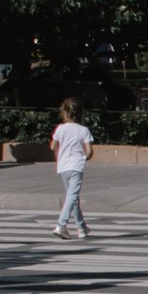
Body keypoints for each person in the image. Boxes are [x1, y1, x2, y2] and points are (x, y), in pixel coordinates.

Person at [50, 98, 94, 241]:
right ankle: (61, 225)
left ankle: (82, 227)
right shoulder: (83, 130)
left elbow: (52, 146)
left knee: (73, 197)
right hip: (76, 166)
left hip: (63, 166)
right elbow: (89, 152)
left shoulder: (60, 129)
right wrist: (84, 156)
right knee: (72, 196)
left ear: (64, 113)